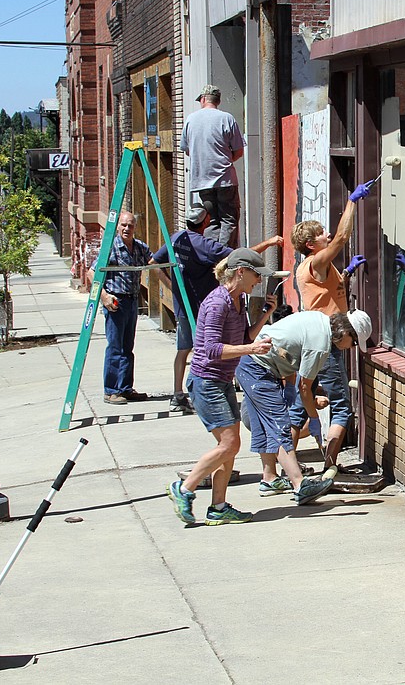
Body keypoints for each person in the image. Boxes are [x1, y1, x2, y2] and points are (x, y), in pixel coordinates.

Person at [166, 248, 276, 526]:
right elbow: (212, 349)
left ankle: (218, 507)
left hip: (223, 381)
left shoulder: (237, 301)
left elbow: (244, 336)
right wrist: (251, 349)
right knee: (229, 444)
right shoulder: (217, 303)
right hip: (206, 382)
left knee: (229, 447)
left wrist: (266, 314)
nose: (258, 281)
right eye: (255, 275)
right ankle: (185, 487)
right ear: (240, 272)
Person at [151, 205, 283, 413]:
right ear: (206, 222)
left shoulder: (176, 238)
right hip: (204, 310)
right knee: (205, 350)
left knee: (184, 350)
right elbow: (240, 258)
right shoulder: (205, 247)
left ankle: (177, 395)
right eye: (256, 276)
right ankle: (198, 392)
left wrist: (173, 288)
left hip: (184, 305)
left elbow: (153, 263)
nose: (258, 280)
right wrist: (270, 242)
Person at [236, 308, 373, 503]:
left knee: (262, 428)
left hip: (251, 364)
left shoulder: (319, 319)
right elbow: (305, 388)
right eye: (353, 343)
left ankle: (269, 478)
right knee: (279, 428)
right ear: (344, 333)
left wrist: (289, 386)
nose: (350, 348)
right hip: (259, 369)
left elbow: (289, 353)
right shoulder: (321, 345)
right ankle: (300, 485)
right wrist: (314, 418)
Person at [287, 177, 374, 467]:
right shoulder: (316, 262)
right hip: (325, 341)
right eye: (321, 234)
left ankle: (281, 466)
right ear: (311, 244)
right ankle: (330, 466)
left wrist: (347, 272)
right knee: (341, 408)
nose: (327, 235)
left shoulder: (320, 267)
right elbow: (341, 239)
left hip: (318, 340)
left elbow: (326, 291)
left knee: (299, 407)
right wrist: (352, 201)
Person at [86, 211, 152, 405]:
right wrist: (104, 297)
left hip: (132, 302)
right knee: (115, 347)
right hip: (116, 303)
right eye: (123, 225)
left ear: (135, 228)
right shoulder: (111, 248)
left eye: (130, 225)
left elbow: (154, 261)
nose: (127, 229)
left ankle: (125, 388)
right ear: (118, 227)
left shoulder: (139, 248)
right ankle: (111, 390)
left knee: (127, 347)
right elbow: (92, 273)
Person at [180, 84, 244, 246]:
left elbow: (188, 151)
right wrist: (223, 160)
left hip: (201, 181)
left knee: (211, 219)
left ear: (203, 99)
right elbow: (238, 151)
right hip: (225, 180)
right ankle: (223, 258)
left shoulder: (190, 120)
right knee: (229, 219)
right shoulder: (226, 118)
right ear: (218, 100)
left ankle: (210, 254)